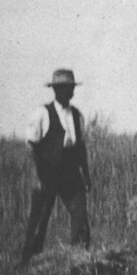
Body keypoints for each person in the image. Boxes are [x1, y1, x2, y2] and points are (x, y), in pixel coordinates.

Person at [21, 68, 92, 264]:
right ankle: (28, 262)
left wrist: (86, 176)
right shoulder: (42, 113)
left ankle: (79, 261)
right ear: (55, 90)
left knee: (80, 217)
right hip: (47, 173)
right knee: (40, 220)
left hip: (70, 173)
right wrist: (36, 178)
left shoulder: (77, 115)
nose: (70, 92)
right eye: (65, 88)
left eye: (71, 88)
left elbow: (81, 148)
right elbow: (31, 146)